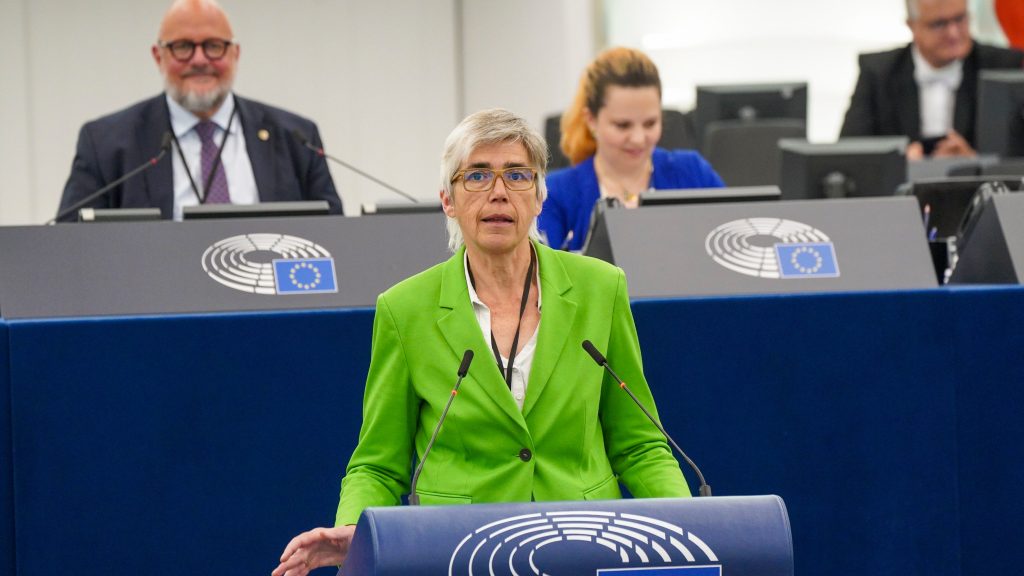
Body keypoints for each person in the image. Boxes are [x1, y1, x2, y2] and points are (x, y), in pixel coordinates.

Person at [272, 109, 691, 576]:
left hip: (583, 543)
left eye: (517, 174)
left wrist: (692, 528)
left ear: (539, 196)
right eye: (476, 175)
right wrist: (354, 528)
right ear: (447, 201)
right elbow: (378, 464)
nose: (498, 192)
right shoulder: (405, 309)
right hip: (458, 549)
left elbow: (639, 445)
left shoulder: (601, 288)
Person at [56, 0, 342, 222]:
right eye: (182, 47)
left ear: (235, 54)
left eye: (213, 46)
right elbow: (71, 242)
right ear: (158, 56)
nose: (200, 59)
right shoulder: (105, 143)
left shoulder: (296, 137)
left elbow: (335, 235)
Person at [539, 47, 724, 252]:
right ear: (591, 120)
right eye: (623, 125)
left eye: (650, 123)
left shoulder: (694, 173)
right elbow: (541, 268)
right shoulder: (556, 193)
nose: (638, 139)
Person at [840, 0, 1024, 159]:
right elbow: (850, 152)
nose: (953, 33)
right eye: (939, 24)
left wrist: (975, 162)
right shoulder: (879, 72)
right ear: (912, 26)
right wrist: (897, 163)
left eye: (960, 19)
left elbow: (1015, 157)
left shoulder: (1002, 66)